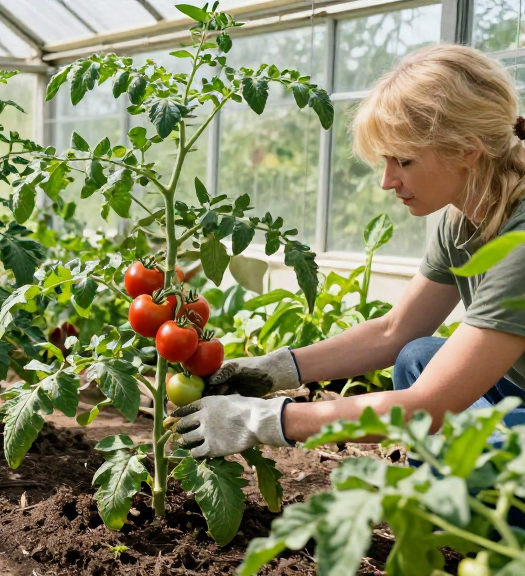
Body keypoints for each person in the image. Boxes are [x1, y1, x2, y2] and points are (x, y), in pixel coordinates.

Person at [173, 43, 525, 460]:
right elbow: (395, 331)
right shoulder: (467, 217)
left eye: (404, 160)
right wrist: (276, 368)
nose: (387, 180)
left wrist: (269, 420)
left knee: (465, 459)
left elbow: (427, 409)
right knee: (418, 357)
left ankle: (456, 501)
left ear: (468, 150)